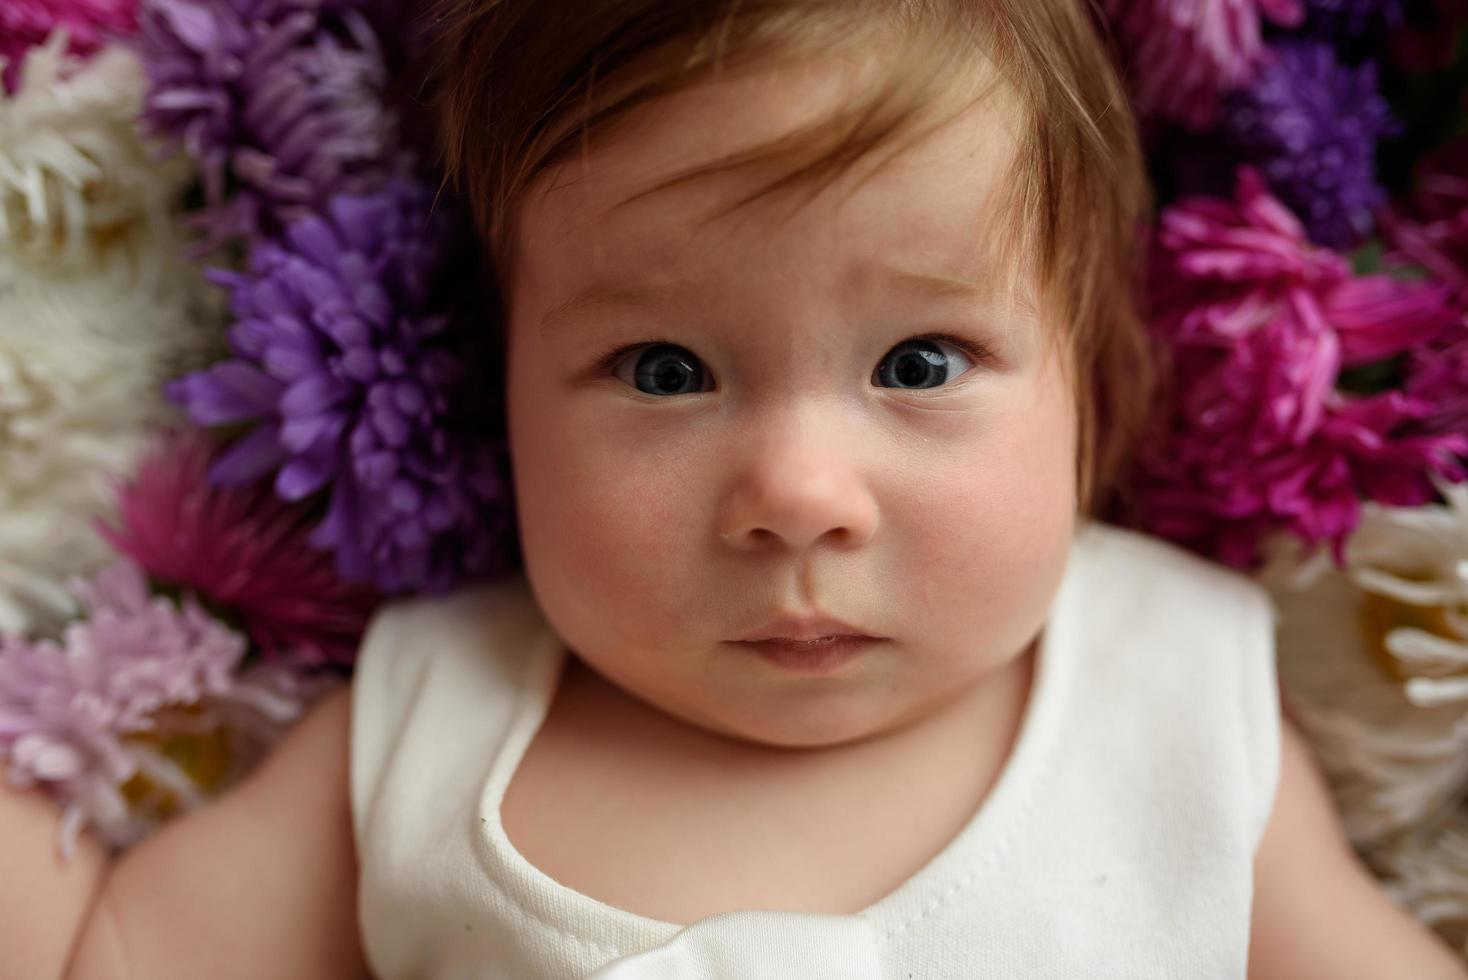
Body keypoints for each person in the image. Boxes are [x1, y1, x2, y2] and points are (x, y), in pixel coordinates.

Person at [9, 0, 1468, 976]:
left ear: (1093, 379)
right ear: (495, 385)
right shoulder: (427, 724)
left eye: (918, 362)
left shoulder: (1174, 700)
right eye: (661, 371)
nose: (797, 494)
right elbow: (101, 955)